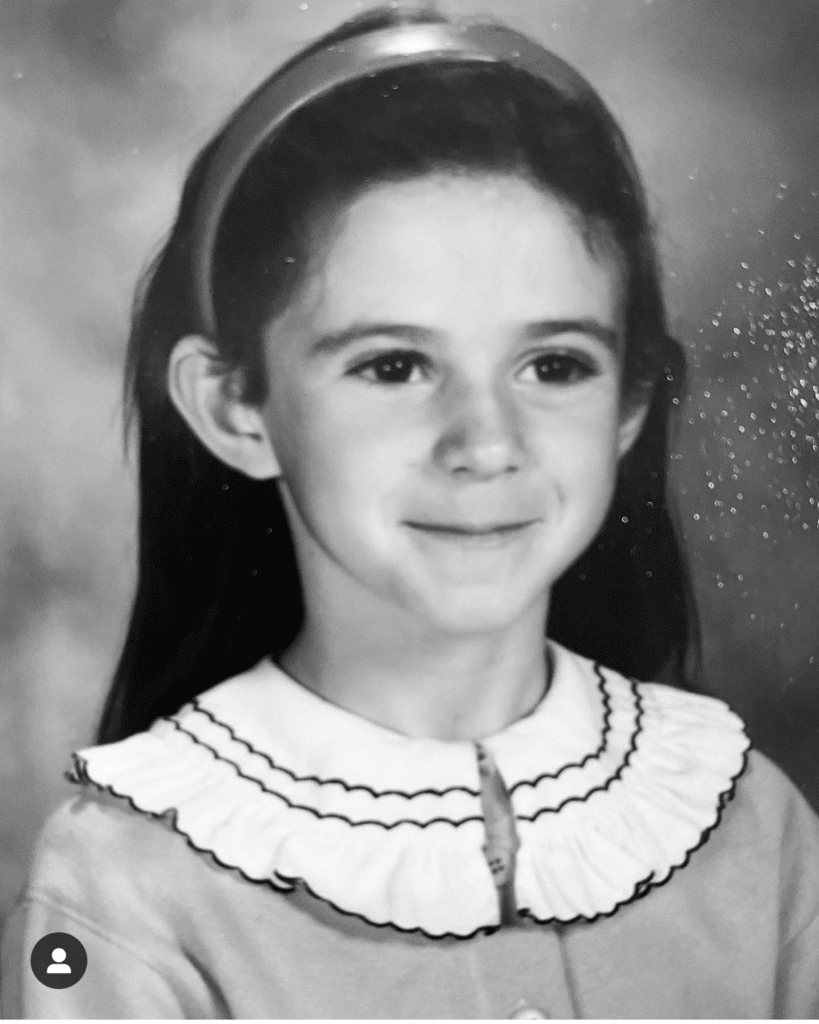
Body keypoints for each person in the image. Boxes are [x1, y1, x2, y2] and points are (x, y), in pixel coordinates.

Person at [2, 4, 818, 1019]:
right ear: (233, 405)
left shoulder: (753, 825)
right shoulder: (122, 885)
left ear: (630, 404)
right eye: (393, 365)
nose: (484, 443)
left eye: (554, 365)